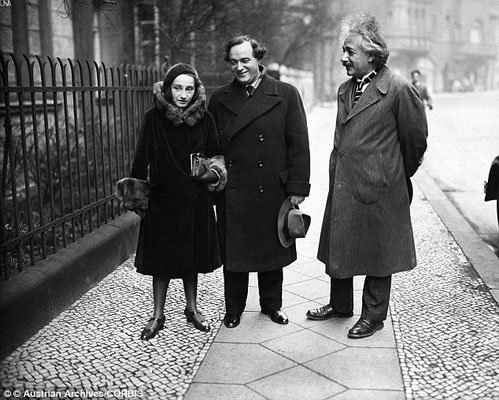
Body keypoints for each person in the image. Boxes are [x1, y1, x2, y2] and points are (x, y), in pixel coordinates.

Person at [307, 13, 427, 339]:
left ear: (371, 55)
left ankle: (373, 316)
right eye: (343, 50)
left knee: (378, 253)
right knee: (341, 244)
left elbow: (415, 141)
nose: (343, 57)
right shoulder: (346, 89)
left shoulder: (399, 89)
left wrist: (392, 173)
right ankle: (340, 304)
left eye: (350, 51)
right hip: (345, 182)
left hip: (380, 186)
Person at [208, 35, 310, 328]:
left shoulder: (285, 94)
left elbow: (298, 145)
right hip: (234, 189)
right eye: (233, 61)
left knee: (271, 250)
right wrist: (215, 176)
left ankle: (272, 306)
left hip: (272, 187)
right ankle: (233, 308)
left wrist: (297, 189)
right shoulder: (220, 98)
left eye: (245, 60)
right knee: (234, 253)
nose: (239, 67)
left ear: (258, 59)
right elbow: (213, 146)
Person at [130, 63, 226, 340]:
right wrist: (138, 198)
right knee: (161, 261)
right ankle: (157, 314)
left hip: (196, 200)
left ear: (196, 90)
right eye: (177, 88)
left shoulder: (205, 120)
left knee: (191, 257)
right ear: (168, 88)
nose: (183, 94)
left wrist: (211, 172)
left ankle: (192, 308)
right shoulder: (153, 118)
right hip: (162, 200)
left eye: (189, 88)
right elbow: (141, 158)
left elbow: (217, 155)